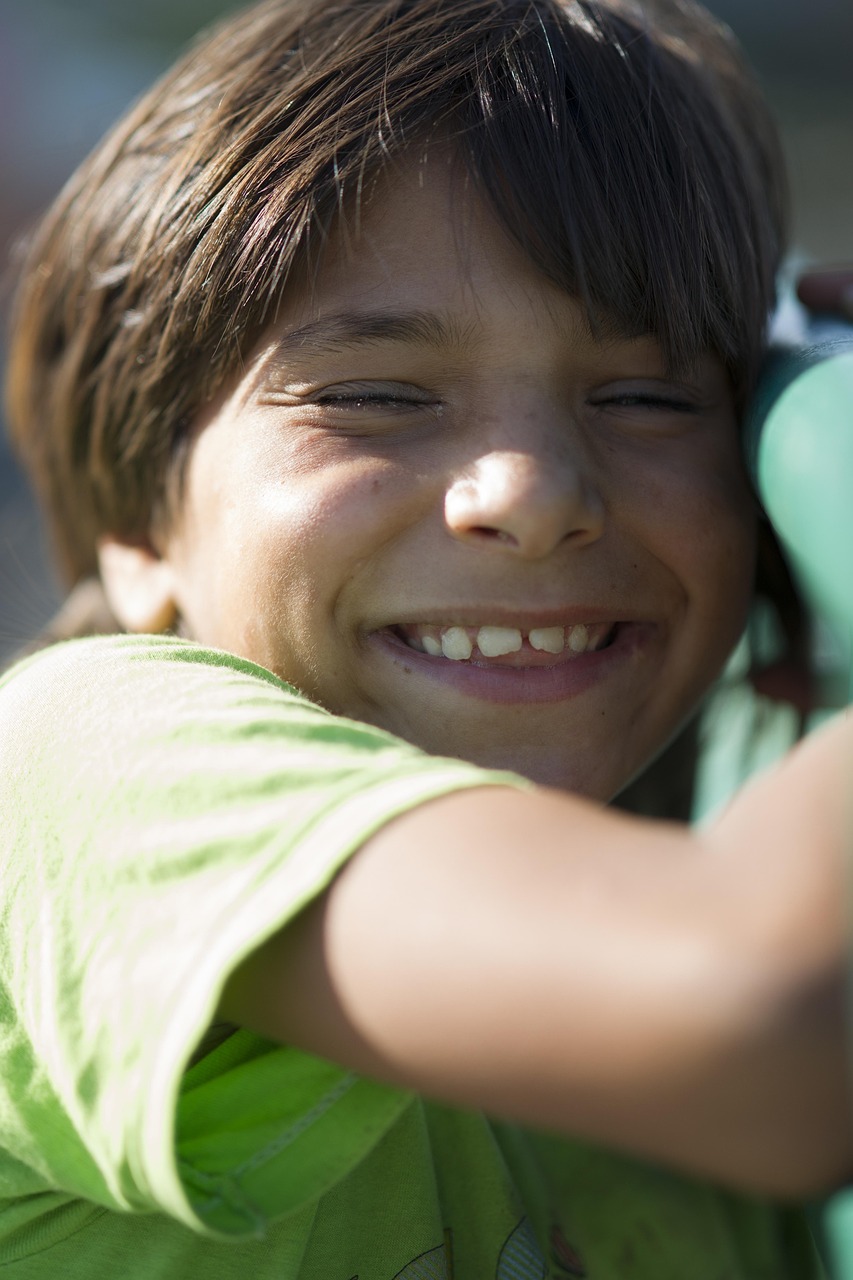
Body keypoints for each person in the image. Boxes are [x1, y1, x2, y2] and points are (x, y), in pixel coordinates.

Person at [1, 0, 850, 1275]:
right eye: (376, 397)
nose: (535, 491)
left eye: (646, 395)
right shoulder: (77, 769)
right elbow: (765, 1033)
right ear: (139, 522)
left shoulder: (713, 821)